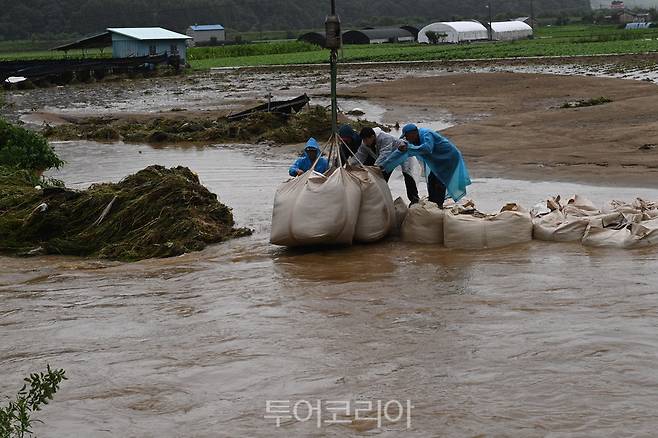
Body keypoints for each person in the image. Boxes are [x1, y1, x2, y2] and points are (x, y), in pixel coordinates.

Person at [381, 124, 471, 206]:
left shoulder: (426, 134)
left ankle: (438, 205)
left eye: (407, 136)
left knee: (440, 181)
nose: (406, 139)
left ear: (413, 133)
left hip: (449, 157)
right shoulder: (411, 141)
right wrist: (383, 166)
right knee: (432, 179)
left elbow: (428, 148)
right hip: (438, 160)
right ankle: (433, 203)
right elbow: (399, 153)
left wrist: (409, 147)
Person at [353, 127, 420, 205]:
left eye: (366, 140)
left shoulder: (385, 138)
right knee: (382, 178)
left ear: (372, 137)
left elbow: (384, 154)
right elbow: (360, 155)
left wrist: (374, 167)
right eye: (363, 140)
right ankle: (383, 199)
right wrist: (350, 165)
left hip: (402, 153)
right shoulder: (364, 143)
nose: (365, 142)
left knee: (408, 176)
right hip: (389, 160)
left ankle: (414, 199)